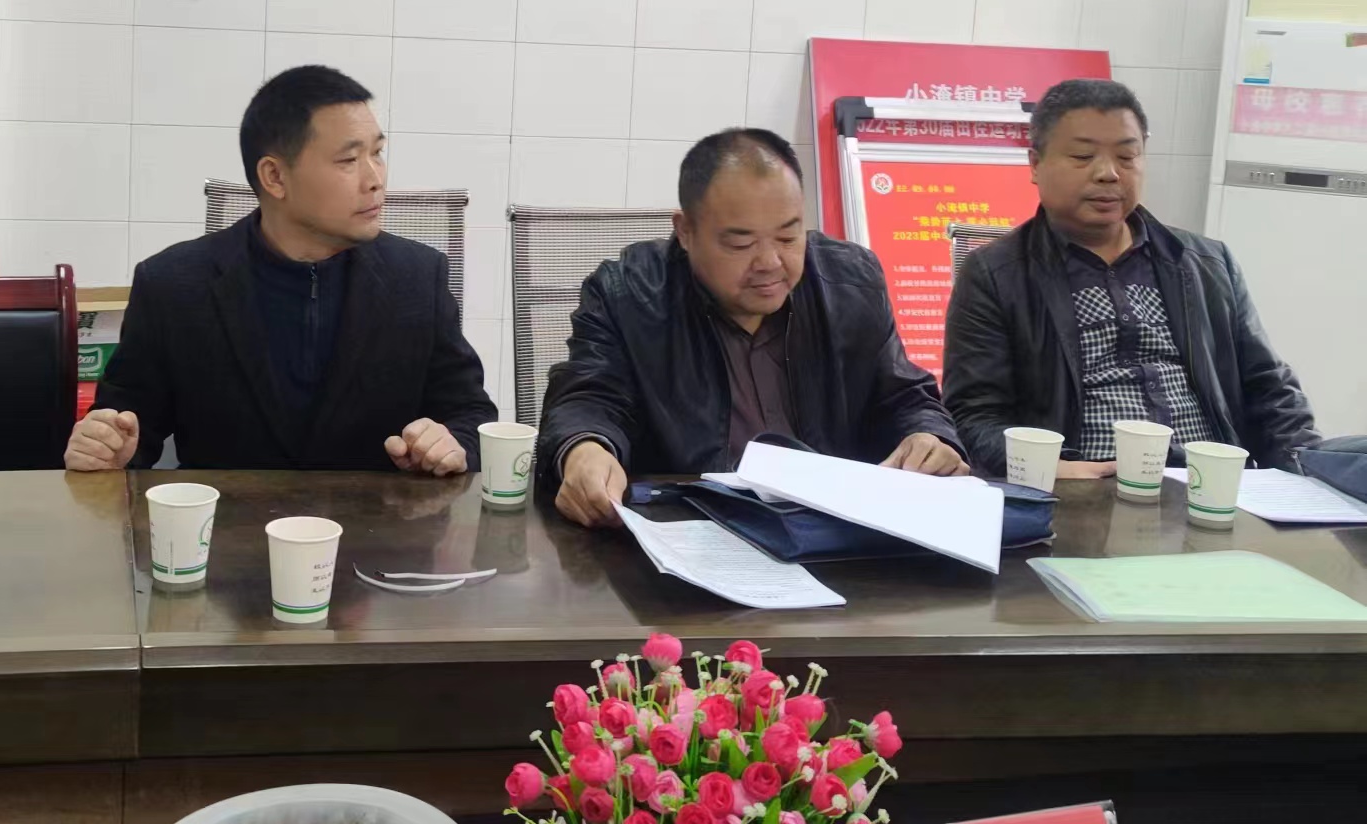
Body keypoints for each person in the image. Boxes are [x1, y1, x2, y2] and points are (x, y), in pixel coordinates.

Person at [64, 65, 495, 474]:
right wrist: (107, 452)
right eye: (348, 160)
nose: (375, 179)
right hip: (228, 523)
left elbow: (469, 414)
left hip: (380, 522)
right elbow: (129, 430)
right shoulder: (173, 285)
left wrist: (452, 443)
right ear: (274, 177)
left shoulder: (417, 278)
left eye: (377, 153)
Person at [538, 128, 969, 528]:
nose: (770, 263)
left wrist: (928, 436)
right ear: (685, 231)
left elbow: (903, 396)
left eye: (788, 237)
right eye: (741, 243)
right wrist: (585, 448)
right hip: (693, 528)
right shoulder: (627, 292)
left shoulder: (851, 282)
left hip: (831, 536)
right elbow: (590, 397)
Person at [943, 78, 1319, 477]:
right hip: (1084, 486)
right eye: (1083, 156)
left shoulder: (1208, 263)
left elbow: (1270, 388)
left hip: (1211, 484)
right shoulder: (995, 275)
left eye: (1127, 157)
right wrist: (1055, 469)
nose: (1108, 174)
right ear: (1035, 164)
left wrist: (1307, 473)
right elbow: (973, 416)